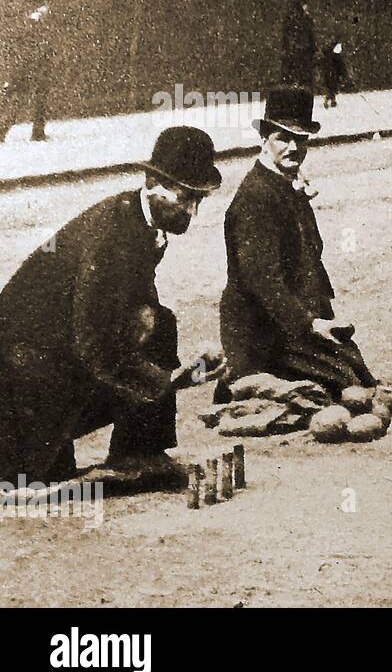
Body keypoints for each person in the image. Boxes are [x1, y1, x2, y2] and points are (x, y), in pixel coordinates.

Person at [0, 127, 225, 486]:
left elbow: (131, 314)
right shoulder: (109, 238)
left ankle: (140, 449)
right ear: (152, 182)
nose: (193, 211)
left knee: (159, 321)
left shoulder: (141, 222)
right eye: (185, 197)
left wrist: (171, 375)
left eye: (200, 199)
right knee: (32, 479)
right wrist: (166, 381)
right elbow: (94, 346)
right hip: (21, 377)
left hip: (55, 356)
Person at [217, 88, 375, 402]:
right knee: (339, 388)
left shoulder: (286, 183)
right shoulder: (256, 197)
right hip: (264, 331)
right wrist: (310, 324)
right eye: (283, 138)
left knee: (359, 376)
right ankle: (239, 379)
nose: (293, 148)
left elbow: (309, 258)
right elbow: (262, 280)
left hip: (296, 321)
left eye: (301, 140)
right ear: (264, 138)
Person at [0, 1, 53, 143]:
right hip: (31, 70)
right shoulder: (35, 30)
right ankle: (36, 132)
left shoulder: (26, 28)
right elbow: (36, 51)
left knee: (22, 101)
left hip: (27, 69)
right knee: (30, 101)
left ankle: (5, 130)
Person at [281, 0, 317, 91]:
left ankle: (299, 87)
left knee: (300, 73)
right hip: (301, 50)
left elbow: (309, 34)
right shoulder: (300, 19)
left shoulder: (299, 18)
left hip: (301, 49)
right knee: (301, 73)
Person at [321, 37, 351, 109]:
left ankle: (330, 99)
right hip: (332, 73)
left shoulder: (328, 55)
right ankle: (330, 99)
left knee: (331, 87)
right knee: (332, 87)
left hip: (329, 73)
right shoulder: (334, 56)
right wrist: (344, 74)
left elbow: (341, 66)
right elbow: (341, 66)